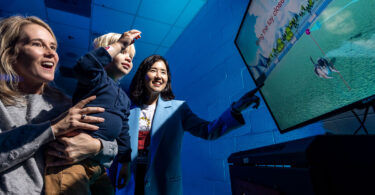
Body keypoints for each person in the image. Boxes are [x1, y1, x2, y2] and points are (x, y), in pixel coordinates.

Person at [110, 55, 261, 195]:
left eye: (163, 72)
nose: (158, 76)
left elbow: (208, 131)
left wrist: (234, 110)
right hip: (130, 187)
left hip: (164, 188)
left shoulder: (178, 109)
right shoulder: (128, 113)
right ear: (143, 76)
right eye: (153, 70)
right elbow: (116, 153)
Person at [0, 15, 117, 194]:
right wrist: (53, 129)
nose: (51, 53)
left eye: (53, 47)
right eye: (37, 44)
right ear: (10, 54)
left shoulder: (68, 103)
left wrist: (95, 147)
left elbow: (112, 144)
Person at [44, 30, 141, 194]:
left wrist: (125, 163)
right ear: (107, 53)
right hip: (69, 160)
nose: (128, 58)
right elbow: (86, 65)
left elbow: (123, 133)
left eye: (131, 56)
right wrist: (121, 43)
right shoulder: (95, 78)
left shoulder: (124, 99)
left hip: (99, 166)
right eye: (123, 51)